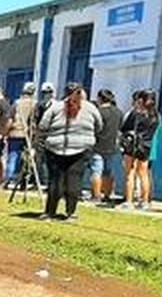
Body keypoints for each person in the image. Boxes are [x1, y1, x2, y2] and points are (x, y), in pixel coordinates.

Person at [38, 82, 103, 221]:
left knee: (55, 181)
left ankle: (50, 212)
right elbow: (99, 126)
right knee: (74, 180)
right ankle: (71, 213)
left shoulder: (56, 107)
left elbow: (43, 125)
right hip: (81, 149)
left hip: (56, 148)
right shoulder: (90, 108)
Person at [118, 89, 161, 211]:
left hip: (133, 145)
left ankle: (129, 201)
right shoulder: (156, 116)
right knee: (144, 175)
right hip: (146, 146)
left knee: (129, 174)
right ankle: (145, 201)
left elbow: (124, 128)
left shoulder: (135, 113)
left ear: (141, 100)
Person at [93, 89, 123, 203]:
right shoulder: (119, 112)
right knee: (108, 172)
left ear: (100, 98)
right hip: (111, 146)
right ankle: (107, 195)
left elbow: (95, 128)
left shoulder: (98, 112)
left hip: (98, 145)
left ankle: (96, 196)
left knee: (97, 171)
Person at [6, 82, 37, 185]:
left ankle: (8, 179)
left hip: (15, 133)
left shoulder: (17, 103)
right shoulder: (35, 104)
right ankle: (23, 180)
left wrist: (6, 132)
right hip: (28, 134)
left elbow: (10, 120)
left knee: (12, 156)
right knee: (26, 159)